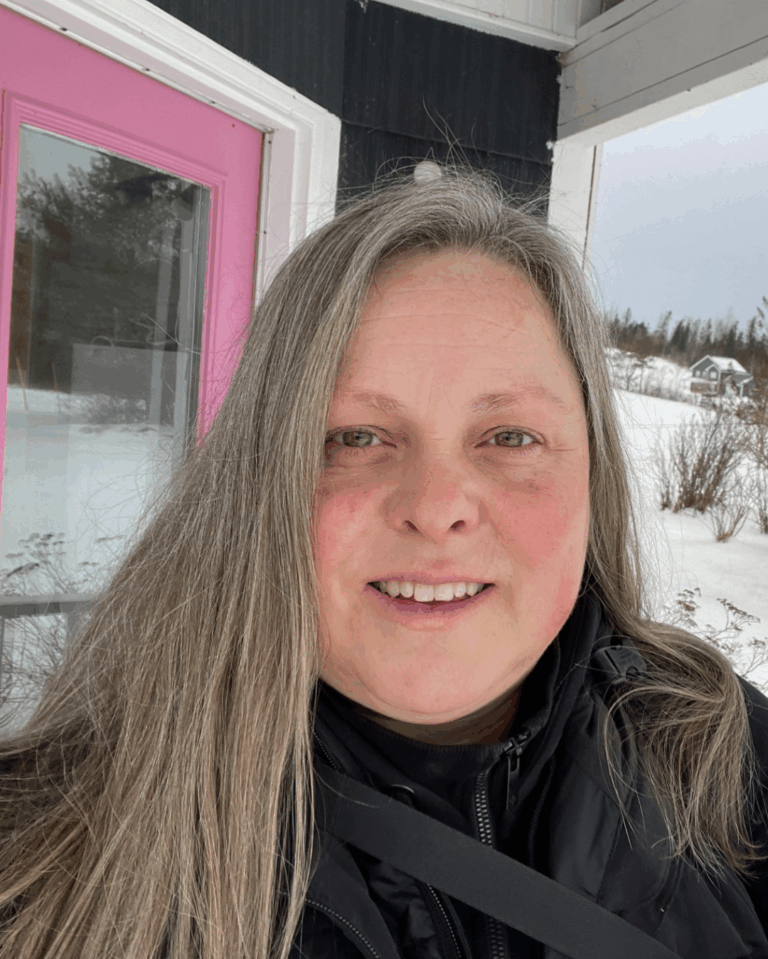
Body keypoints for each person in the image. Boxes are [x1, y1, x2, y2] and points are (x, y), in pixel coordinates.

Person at [1, 166, 768, 959]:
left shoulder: (727, 761)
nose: (436, 507)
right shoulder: (47, 859)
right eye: (356, 437)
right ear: (260, 481)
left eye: (510, 436)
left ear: (593, 477)